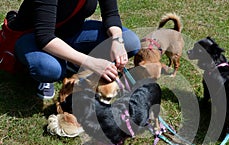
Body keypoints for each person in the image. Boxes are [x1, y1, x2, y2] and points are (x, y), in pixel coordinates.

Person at [7, 0, 140, 99]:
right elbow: (44, 37)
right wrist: (90, 62)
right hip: (33, 37)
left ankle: (69, 61)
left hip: (71, 33)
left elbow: (111, 15)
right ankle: (53, 70)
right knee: (49, 69)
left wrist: (117, 40)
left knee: (130, 41)